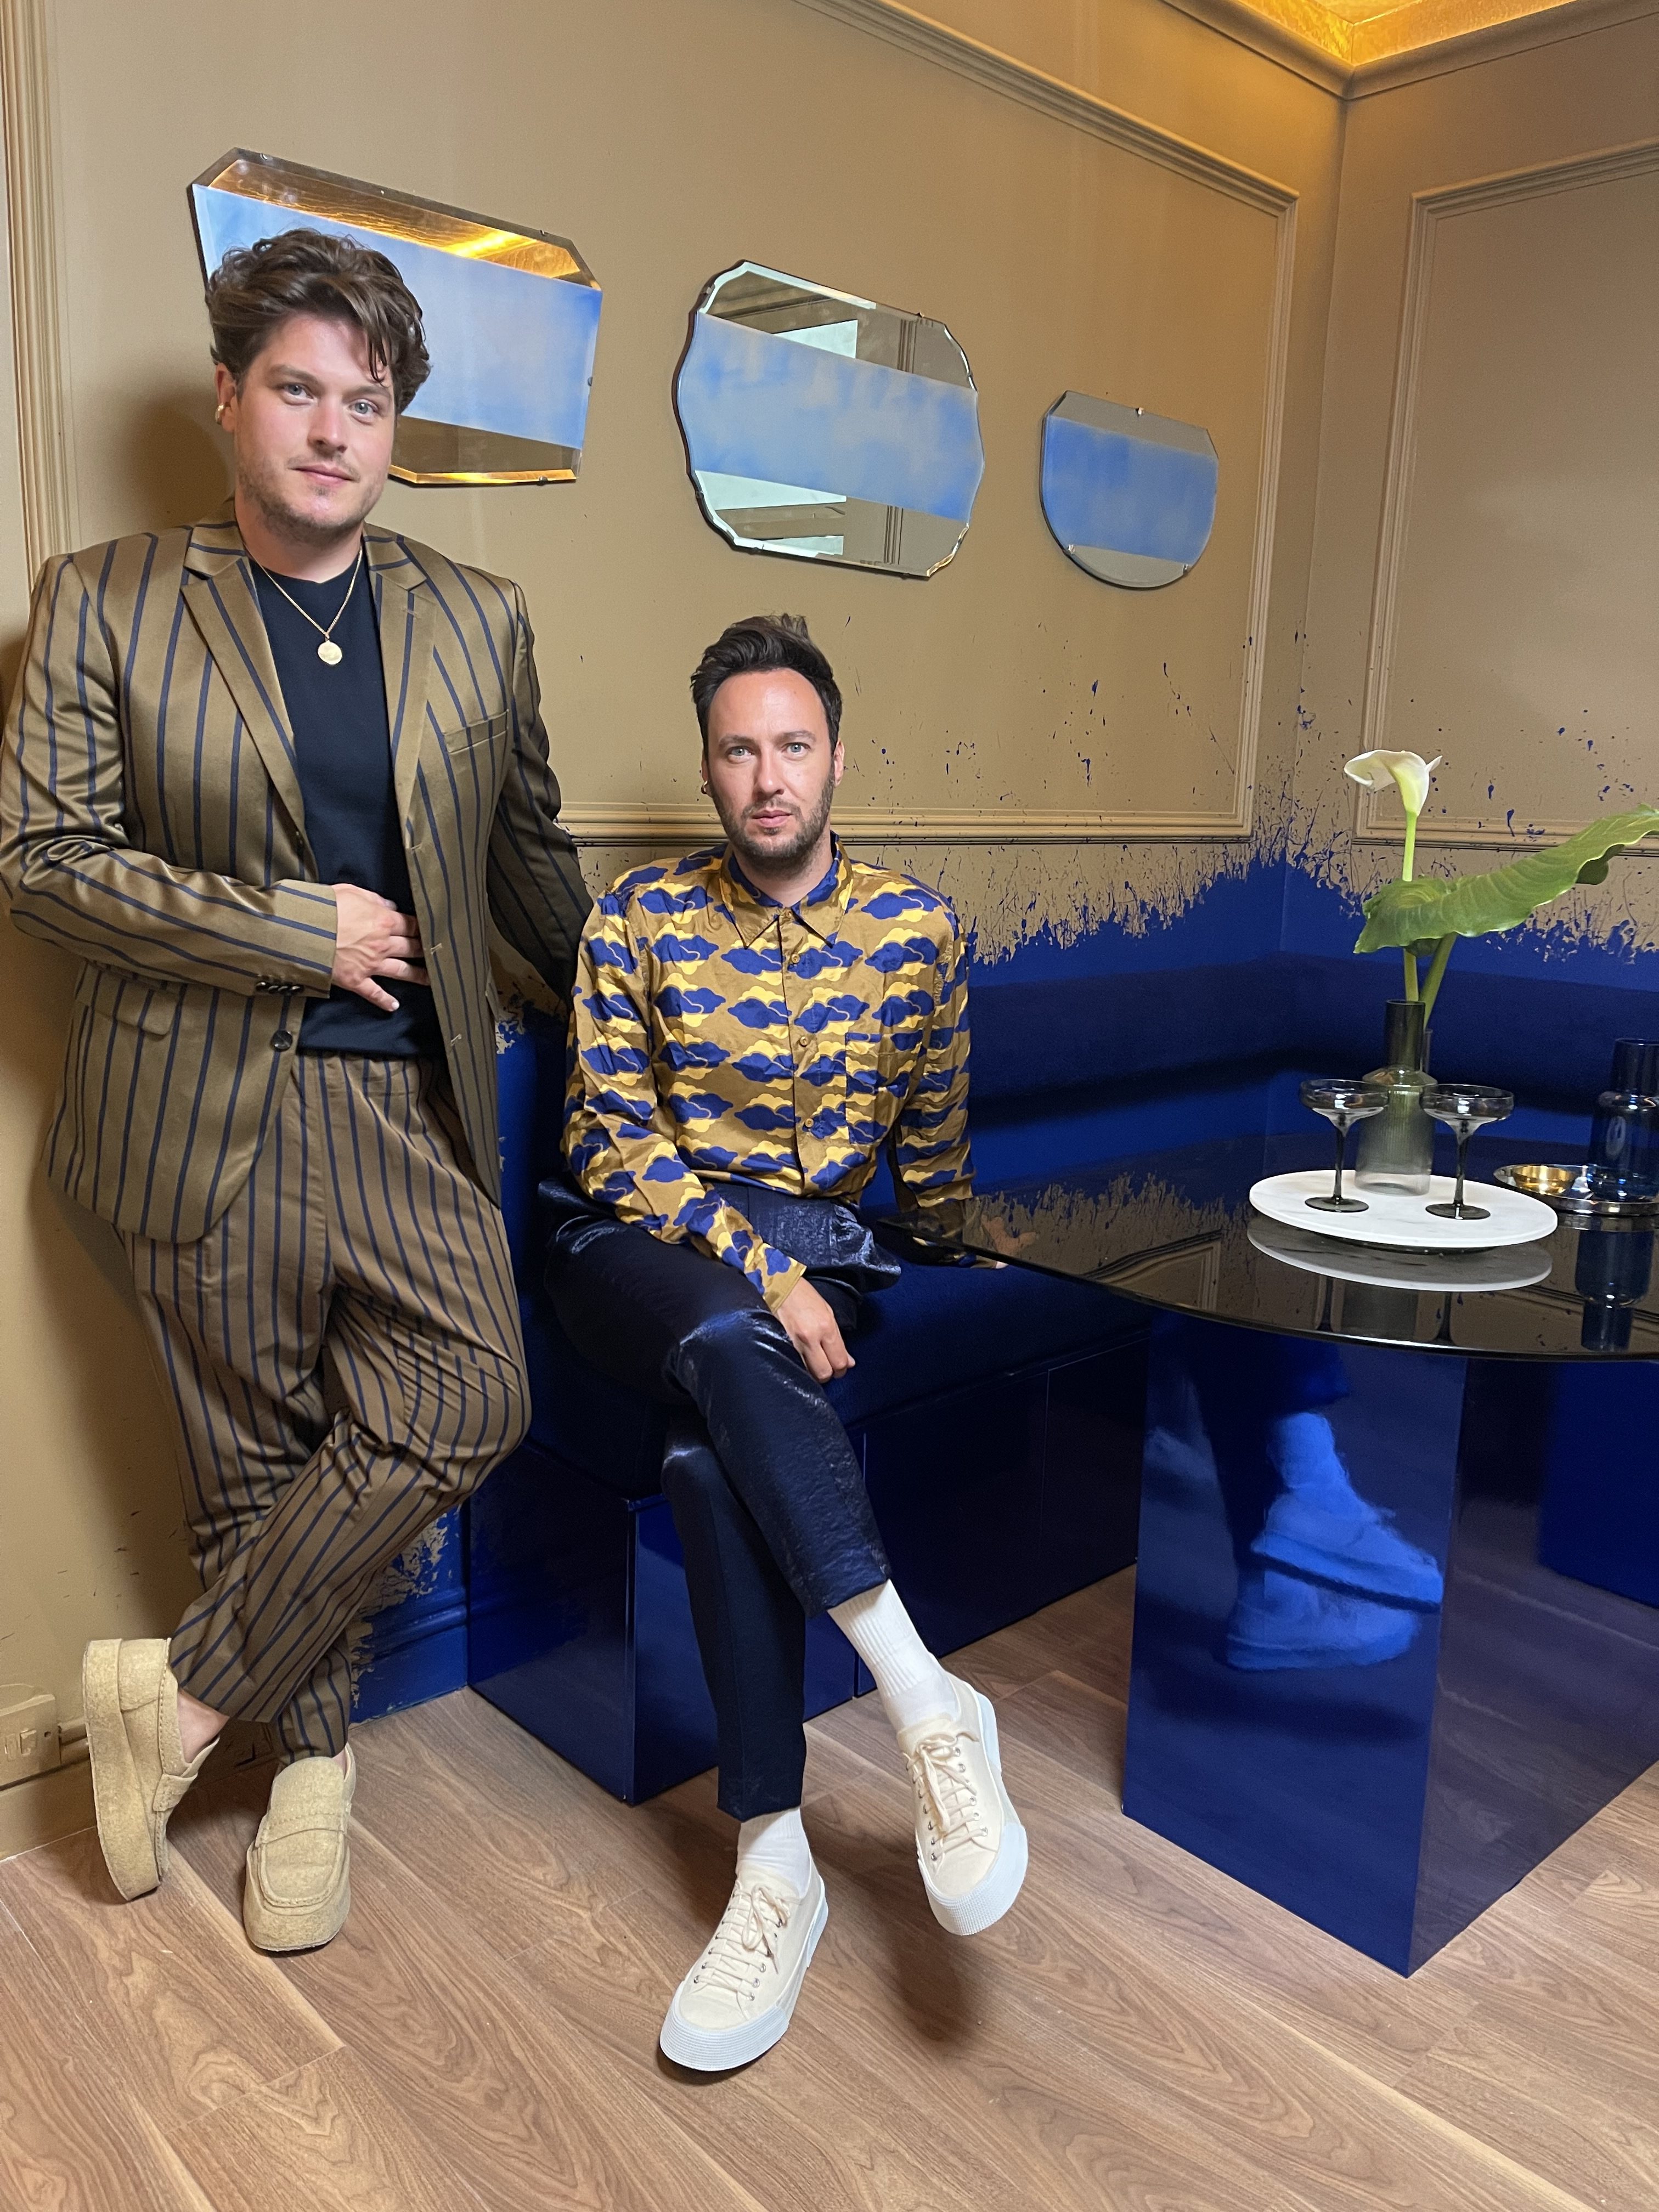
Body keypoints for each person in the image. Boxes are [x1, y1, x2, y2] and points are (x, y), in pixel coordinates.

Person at [0, 229, 589, 1951]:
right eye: (299, 390)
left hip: (408, 1109)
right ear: (228, 399)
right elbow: (39, 863)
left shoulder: (478, 618)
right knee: (251, 1469)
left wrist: (646, 1016)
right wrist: (290, 930)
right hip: (191, 1117)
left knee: (470, 1395)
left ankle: (178, 1704)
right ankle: (311, 1777)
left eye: (368, 402)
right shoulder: (103, 595)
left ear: (394, 426)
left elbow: (530, 861)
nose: (335, 430)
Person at [554, 612, 1026, 2071]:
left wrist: (950, 1268)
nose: (769, 778)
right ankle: (924, 1699)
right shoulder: (636, 919)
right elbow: (609, 1143)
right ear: (707, 770)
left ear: (836, 757)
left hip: (819, 1264)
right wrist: (764, 1267)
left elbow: (934, 1160)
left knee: (710, 1458)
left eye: (794, 746)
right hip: (631, 1250)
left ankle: (773, 1858)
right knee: (724, 1326)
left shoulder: (919, 931)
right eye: (739, 751)